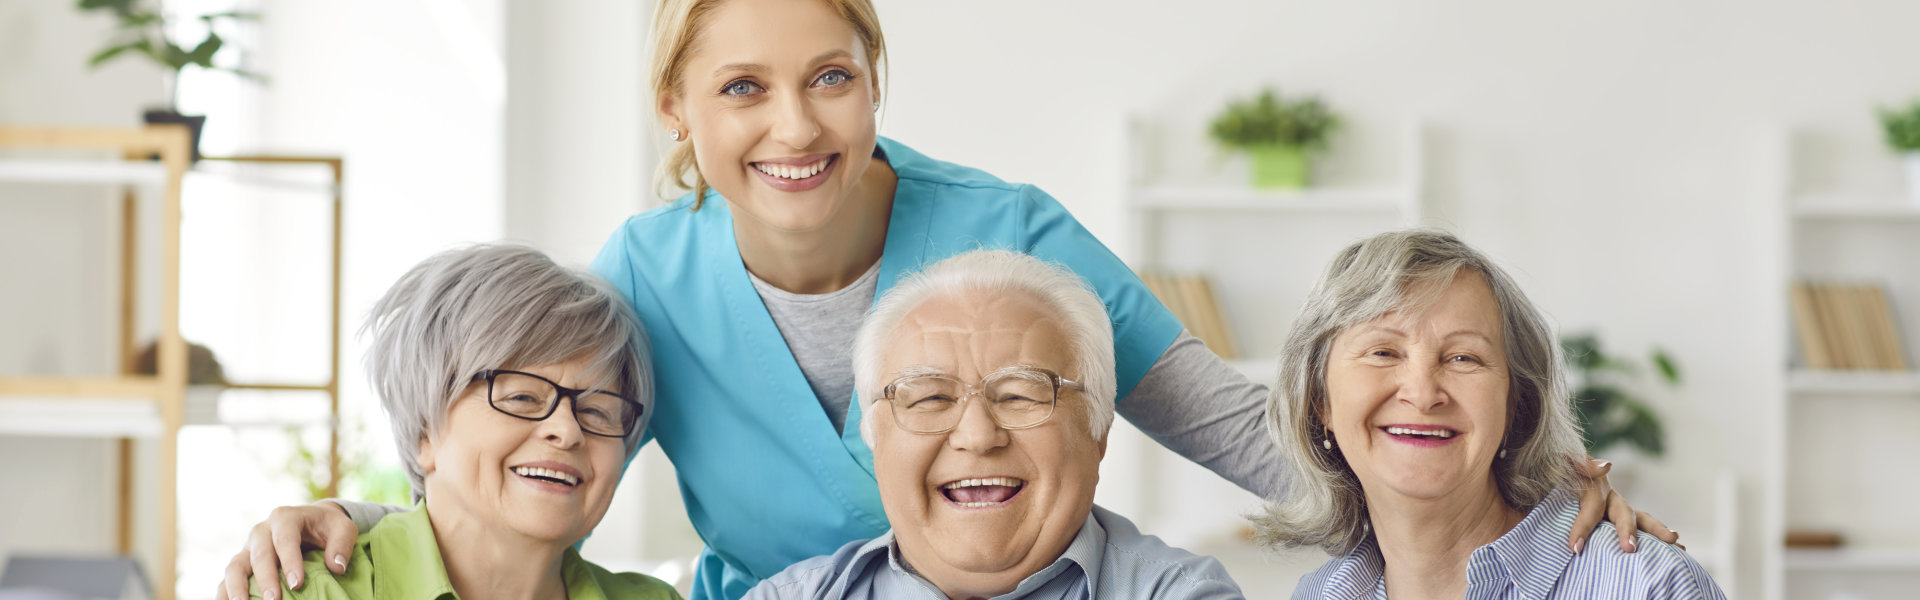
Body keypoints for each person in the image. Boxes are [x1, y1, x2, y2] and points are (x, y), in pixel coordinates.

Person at [215, 1, 1674, 598]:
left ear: (872, 83)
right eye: (743, 88)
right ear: (679, 107)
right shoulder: (642, 278)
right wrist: (355, 520)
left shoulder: (1009, 234)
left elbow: (1241, 425)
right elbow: (520, 439)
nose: (795, 126)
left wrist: (1521, 499)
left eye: (831, 77)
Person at [747, 249, 1243, 599]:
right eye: (930, 397)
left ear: (1099, 430)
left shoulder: (1182, 594)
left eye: (1021, 394)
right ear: (874, 437)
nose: (978, 436)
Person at [1256, 230, 1723, 600]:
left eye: (1464, 358)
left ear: (1514, 402)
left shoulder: (1643, 586)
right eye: (1382, 352)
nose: (1422, 394)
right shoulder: (1319, 595)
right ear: (1320, 401)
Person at [247, 245, 678, 600]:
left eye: (597, 410)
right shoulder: (310, 593)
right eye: (523, 397)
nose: (567, 431)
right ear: (423, 432)